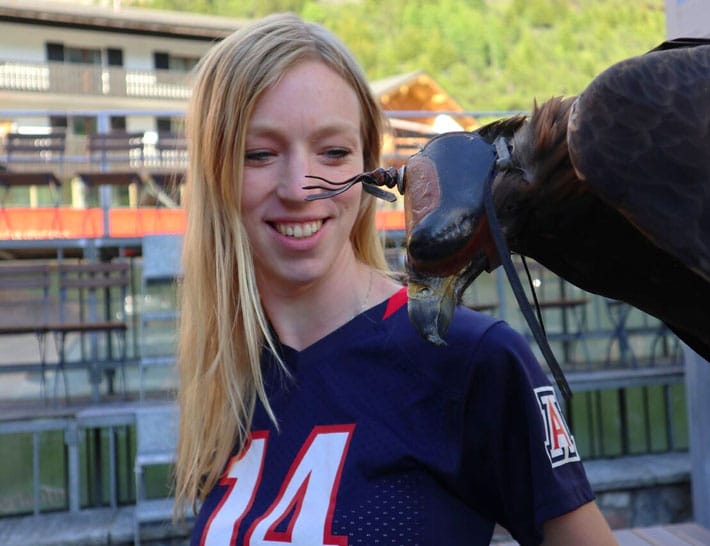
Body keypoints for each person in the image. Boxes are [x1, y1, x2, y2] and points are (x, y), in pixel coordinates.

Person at [174, 12, 617, 546]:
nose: (298, 187)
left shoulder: (471, 359)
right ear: (213, 173)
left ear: (369, 169)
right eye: (259, 154)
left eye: (333, 153)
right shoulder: (230, 375)